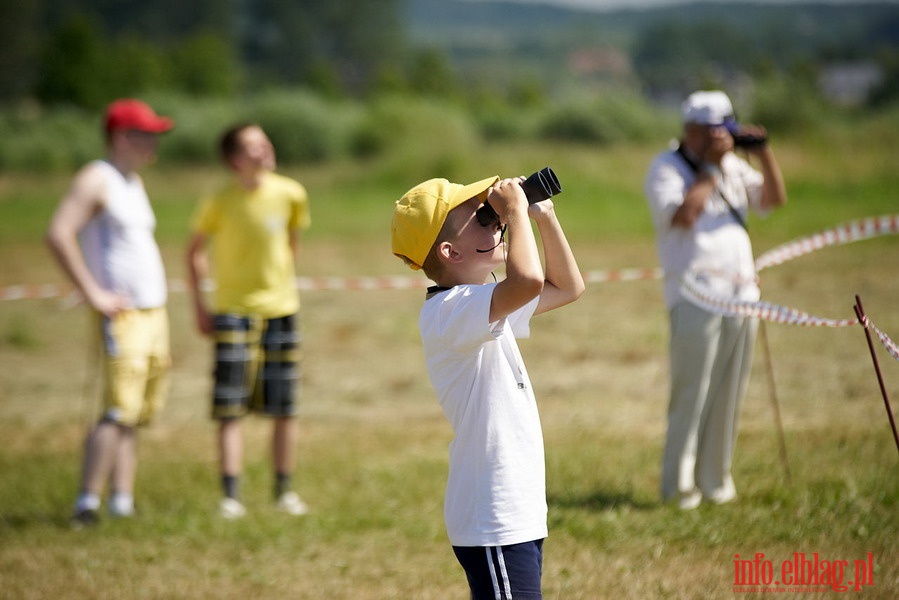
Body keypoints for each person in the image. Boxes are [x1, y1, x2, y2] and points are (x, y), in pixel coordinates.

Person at [391, 174, 584, 599]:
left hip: (514, 506)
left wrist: (542, 215)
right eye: (481, 218)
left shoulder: (482, 304)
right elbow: (529, 282)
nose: (493, 221)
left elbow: (567, 287)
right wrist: (515, 214)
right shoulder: (451, 311)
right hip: (491, 513)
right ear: (450, 251)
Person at [644, 90, 788, 510]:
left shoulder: (733, 166)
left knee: (729, 392)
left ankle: (716, 482)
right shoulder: (667, 167)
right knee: (691, 392)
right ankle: (679, 488)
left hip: (742, 295)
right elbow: (684, 216)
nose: (725, 139)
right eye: (717, 131)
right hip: (695, 295)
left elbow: (773, 200)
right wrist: (708, 170)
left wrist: (763, 155)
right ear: (694, 131)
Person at [46, 98, 175, 526]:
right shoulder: (96, 179)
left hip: (153, 312)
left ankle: (122, 499)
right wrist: (94, 293)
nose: (154, 143)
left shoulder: (131, 180)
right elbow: (59, 233)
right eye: (147, 135)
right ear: (122, 136)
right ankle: (87, 502)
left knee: (136, 410)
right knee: (118, 408)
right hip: (123, 315)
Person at [186, 124, 311, 519]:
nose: (265, 149)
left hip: (281, 310)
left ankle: (283, 490)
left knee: (284, 406)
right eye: (254, 146)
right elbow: (193, 253)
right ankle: (230, 496)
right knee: (229, 406)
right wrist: (200, 307)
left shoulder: (291, 193)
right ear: (234, 159)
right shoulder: (218, 201)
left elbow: (292, 244)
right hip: (233, 311)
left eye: (265, 142)